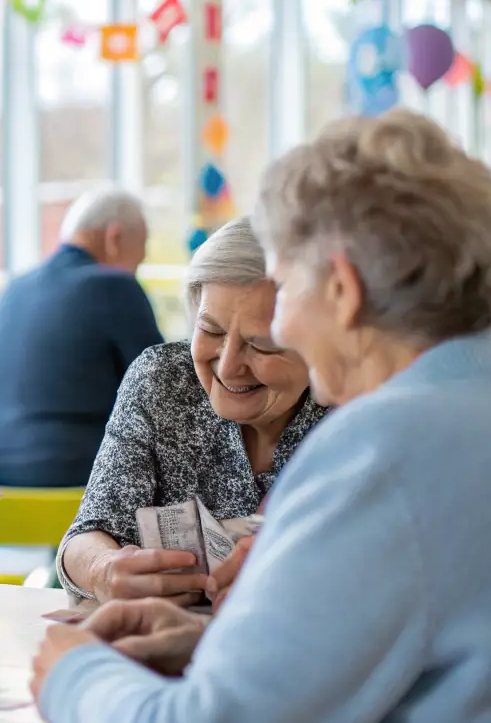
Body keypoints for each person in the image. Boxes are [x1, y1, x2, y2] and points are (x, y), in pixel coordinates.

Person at [33, 111, 491, 723]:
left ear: (342, 290)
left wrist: (72, 675)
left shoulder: (378, 450)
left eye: (285, 289)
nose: (281, 324)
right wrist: (207, 643)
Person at [56, 217, 326, 603]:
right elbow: (85, 536)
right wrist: (104, 571)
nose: (229, 366)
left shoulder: (353, 409)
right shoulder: (163, 379)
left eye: (262, 344)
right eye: (211, 331)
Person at [0, 186, 162, 488]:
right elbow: (164, 385)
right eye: (139, 259)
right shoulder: (116, 286)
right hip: (68, 475)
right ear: (115, 238)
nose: (137, 269)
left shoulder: (15, 288)